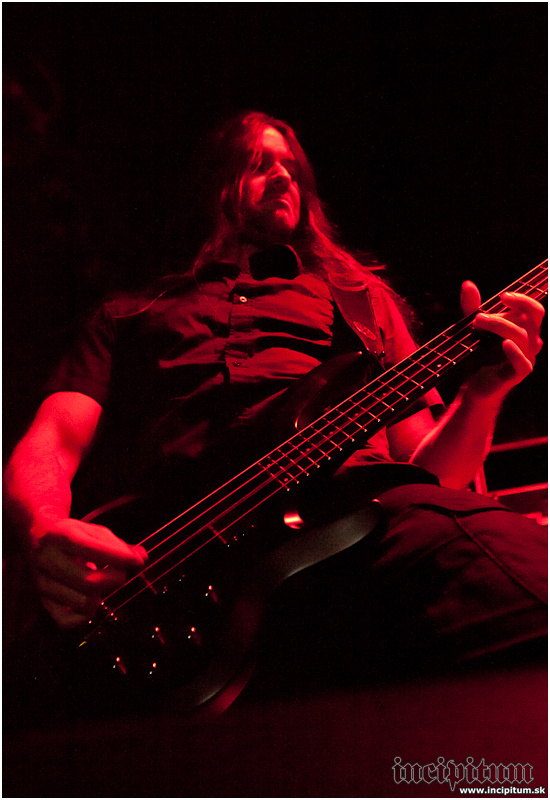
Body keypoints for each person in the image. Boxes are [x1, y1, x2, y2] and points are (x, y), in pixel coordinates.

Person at [3, 111, 546, 698]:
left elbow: (433, 471)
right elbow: (51, 441)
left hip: (360, 531)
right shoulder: (131, 310)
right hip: (175, 571)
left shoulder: (361, 298)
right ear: (214, 182)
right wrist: (43, 528)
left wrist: (481, 396)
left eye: (292, 169)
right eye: (260, 164)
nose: (284, 178)